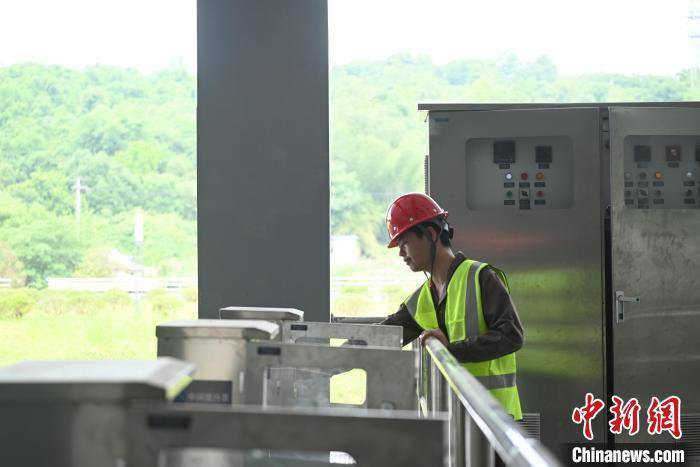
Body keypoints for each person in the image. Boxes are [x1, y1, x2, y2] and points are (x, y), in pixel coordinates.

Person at [381, 192, 523, 420]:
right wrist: (323, 365)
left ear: (430, 234)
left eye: (404, 242)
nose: (400, 253)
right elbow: (381, 337)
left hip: (496, 423)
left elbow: (511, 335)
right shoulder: (421, 299)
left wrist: (452, 351)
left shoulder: (481, 277)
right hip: (455, 425)